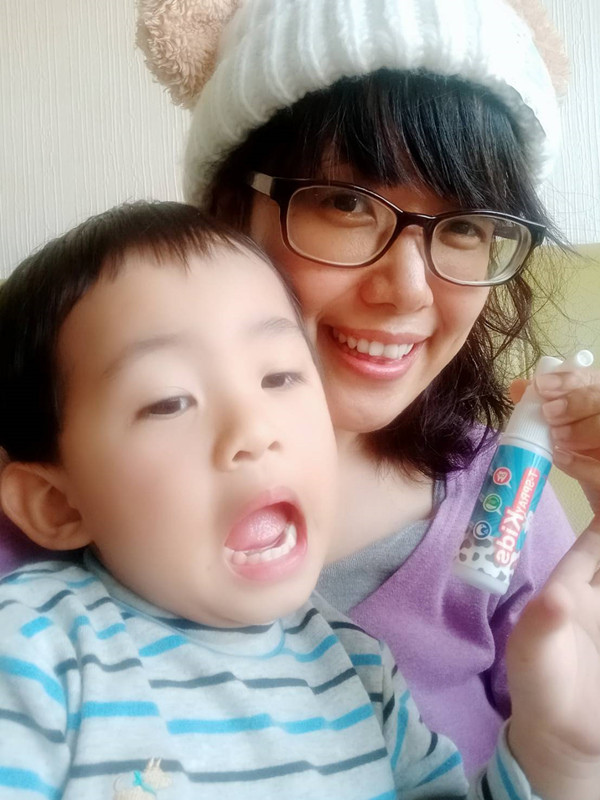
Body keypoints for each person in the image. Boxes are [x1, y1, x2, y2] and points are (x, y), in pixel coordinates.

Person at [132, 0, 600, 774]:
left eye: (465, 225)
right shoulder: (91, 475)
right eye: (347, 204)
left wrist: (572, 762)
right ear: (230, 212)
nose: (409, 290)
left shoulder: (505, 505)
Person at [4, 201, 599, 800]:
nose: (254, 430)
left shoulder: (362, 671)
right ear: (56, 504)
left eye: (280, 377)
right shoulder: (34, 651)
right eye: (169, 402)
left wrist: (559, 756)